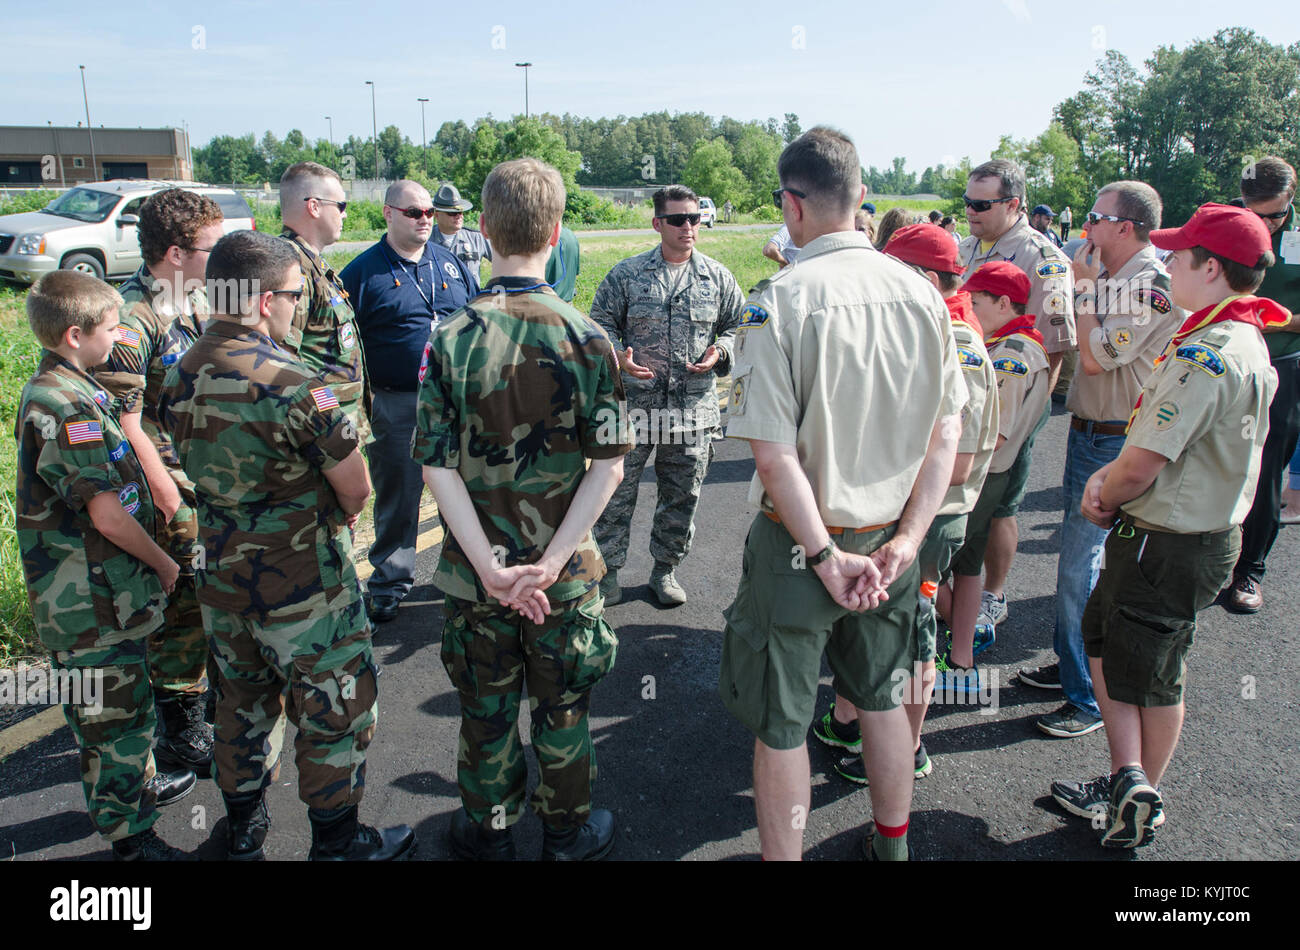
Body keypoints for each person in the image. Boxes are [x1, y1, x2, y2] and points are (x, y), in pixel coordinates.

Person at [719, 128, 965, 860]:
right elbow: (945, 436)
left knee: (783, 723)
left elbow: (773, 456)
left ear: (792, 206)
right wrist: (908, 543)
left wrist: (824, 556)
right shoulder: (922, 295)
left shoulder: (780, 300)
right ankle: (892, 848)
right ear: (860, 199)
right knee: (885, 702)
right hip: (891, 543)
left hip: (804, 544)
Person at [160, 230, 415, 861]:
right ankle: (336, 842)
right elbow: (355, 488)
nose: (298, 309)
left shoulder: (179, 370)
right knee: (334, 706)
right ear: (267, 298)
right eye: (296, 297)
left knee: (240, 702)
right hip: (303, 583)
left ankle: (243, 828)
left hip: (221, 575)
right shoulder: (294, 381)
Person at [415, 158, 630, 861]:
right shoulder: (589, 337)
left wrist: (493, 571)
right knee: (564, 709)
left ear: (481, 228)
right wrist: (546, 567)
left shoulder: (448, 339)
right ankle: (565, 835)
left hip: (478, 580)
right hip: (561, 581)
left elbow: (437, 465)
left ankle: (489, 830)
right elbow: (609, 466)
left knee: (486, 709)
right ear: (558, 231)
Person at [1050, 203, 1282, 848]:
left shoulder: (1209, 351)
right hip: (1171, 534)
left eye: (1181, 257)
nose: (1170, 264)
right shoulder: (1235, 333)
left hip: (1170, 538)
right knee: (1110, 642)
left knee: (1151, 670)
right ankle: (1127, 778)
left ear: (1211, 268)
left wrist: (1102, 492)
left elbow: (1146, 460)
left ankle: (1140, 789)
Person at [17, 271, 191, 861]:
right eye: (111, 328)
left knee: (128, 707)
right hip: (86, 602)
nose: (120, 339)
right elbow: (108, 516)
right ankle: (131, 841)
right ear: (73, 335)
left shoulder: (76, 387)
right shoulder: (64, 406)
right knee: (109, 723)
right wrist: (165, 563)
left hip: (106, 592)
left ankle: (137, 789)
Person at [821, 224, 998, 786]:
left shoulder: (958, 343)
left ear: (923, 278)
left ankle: (911, 747)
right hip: (902, 514)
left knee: (917, 635)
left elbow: (959, 461)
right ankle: (854, 719)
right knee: (878, 626)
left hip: (931, 517)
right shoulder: (927, 327)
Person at [1019, 182, 1182, 740]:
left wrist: (1083, 291)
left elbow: (1095, 358)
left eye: (1095, 215)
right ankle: (1072, 665)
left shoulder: (1147, 284)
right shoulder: (1112, 275)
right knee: (1078, 566)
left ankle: (1086, 698)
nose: (1085, 223)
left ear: (1125, 226)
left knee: (1081, 569)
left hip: (1114, 438)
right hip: (1093, 431)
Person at [95, 188, 221, 777]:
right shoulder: (133, 318)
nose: (218, 255)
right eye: (209, 246)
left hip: (202, 469)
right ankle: (180, 728)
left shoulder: (195, 303)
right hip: (165, 478)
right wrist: (165, 491)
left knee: (207, 590)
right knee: (182, 604)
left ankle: (202, 701)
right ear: (174, 253)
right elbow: (120, 421)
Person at [590, 184, 744, 606]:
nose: (688, 226)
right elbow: (599, 321)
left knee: (681, 497)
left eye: (694, 218)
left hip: (692, 412)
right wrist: (617, 357)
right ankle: (607, 574)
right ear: (658, 223)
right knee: (615, 494)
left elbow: (739, 326)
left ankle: (665, 570)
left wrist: (722, 350)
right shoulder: (627, 274)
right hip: (636, 409)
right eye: (678, 219)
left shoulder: (718, 277)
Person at [339, 181, 477, 624]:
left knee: (463, 489)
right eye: (414, 212)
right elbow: (343, 348)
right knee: (399, 494)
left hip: (454, 401)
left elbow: (478, 320)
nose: (424, 220)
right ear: (388, 213)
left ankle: (467, 574)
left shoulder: (450, 264)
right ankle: (390, 582)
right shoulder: (362, 274)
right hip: (397, 402)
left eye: (430, 214)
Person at [958, 159, 1076, 628]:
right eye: (966, 201)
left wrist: (1022, 425)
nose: (969, 210)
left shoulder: (1042, 259)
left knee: (999, 504)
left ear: (1012, 203)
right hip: (965, 394)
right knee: (963, 500)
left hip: (1011, 403)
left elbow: (1054, 347)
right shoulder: (967, 246)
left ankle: (993, 593)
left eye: (981, 204)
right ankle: (958, 590)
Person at [941, 262, 1051, 694]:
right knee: (965, 567)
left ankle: (961, 644)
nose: (970, 307)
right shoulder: (1016, 344)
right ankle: (960, 655)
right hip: (991, 474)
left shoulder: (1012, 355)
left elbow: (995, 430)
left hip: (982, 476)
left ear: (1005, 303)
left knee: (938, 564)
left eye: (979, 300)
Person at [1222, 157, 1300, 612]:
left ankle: (1249, 571)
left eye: (1276, 214)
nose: (1265, 224)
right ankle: (1207, 564)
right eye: (1256, 213)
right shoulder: (1225, 223)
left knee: (1267, 470)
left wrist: (1278, 321)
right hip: (1223, 363)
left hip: (1283, 363)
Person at [279, 161, 371, 444]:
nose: (345, 214)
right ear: (314, 207)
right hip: (318, 432)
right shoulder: (291, 268)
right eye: (340, 206)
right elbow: (282, 361)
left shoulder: (312, 263)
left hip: (335, 425)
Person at [431, 182, 493, 278]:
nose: (458, 216)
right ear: (437, 215)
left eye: (460, 212)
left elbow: (505, 261)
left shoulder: (476, 238)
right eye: (452, 213)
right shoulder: (426, 241)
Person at [545, 225, 581, 302]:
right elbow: (576, 274)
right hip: (567, 304)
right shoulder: (571, 236)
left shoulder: (543, 238)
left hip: (546, 304)